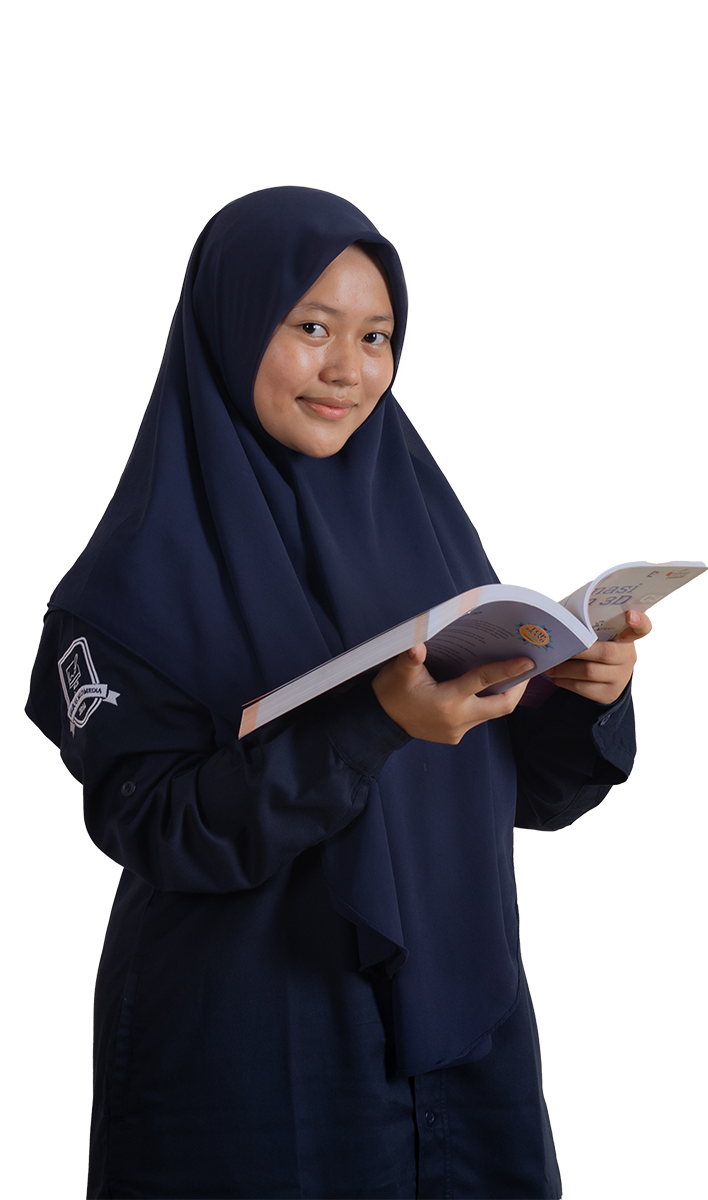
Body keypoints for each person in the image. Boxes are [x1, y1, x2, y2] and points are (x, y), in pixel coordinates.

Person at [26, 186, 647, 1200]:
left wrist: (584, 696)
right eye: (310, 327)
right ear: (230, 328)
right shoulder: (127, 587)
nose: (348, 369)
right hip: (256, 1051)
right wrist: (370, 726)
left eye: (375, 335)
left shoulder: (424, 529)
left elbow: (516, 794)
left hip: (462, 1041)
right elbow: (162, 829)